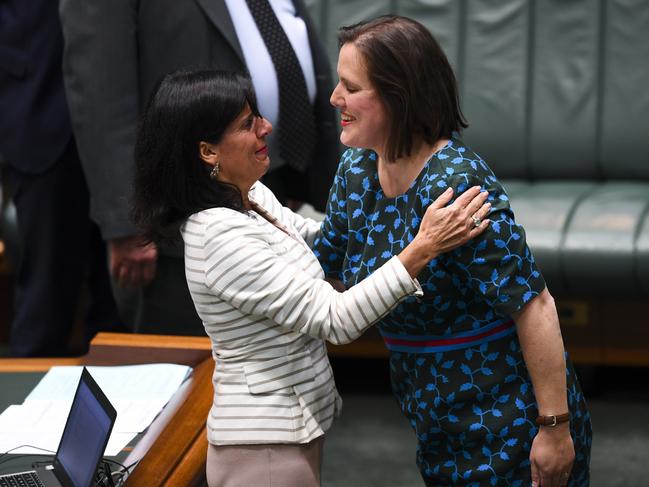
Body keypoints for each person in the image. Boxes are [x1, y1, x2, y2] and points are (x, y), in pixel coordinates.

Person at [131, 69, 490, 487]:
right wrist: (421, 248)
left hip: (291, 431)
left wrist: (393, 192)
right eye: (248, 124)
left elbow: (325, 245)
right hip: (262, 450)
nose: (266, 127)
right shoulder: (218, 237)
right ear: (208, 152)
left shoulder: (251, 196)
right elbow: (335, 319)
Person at [313, 15, 592, 487]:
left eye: (350, 86)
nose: (336, 98)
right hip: (434, 418)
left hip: (509, 417)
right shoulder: (357, 168)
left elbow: (534, 306)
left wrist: (554, 428)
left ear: (398, 96)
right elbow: (325, 269)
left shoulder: (453, 182)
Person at [59, 0, 339, 334]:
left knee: (278, 348)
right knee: (191, 370)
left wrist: (297, 172)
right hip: (176, 216)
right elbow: (100, 95)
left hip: (270, 179)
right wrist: (128, 223)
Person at [0, 0, 122, 356]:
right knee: (45, 298)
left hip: (118, 120)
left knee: (119, 298)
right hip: (37, 107)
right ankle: (25, 410)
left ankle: (116, 405)